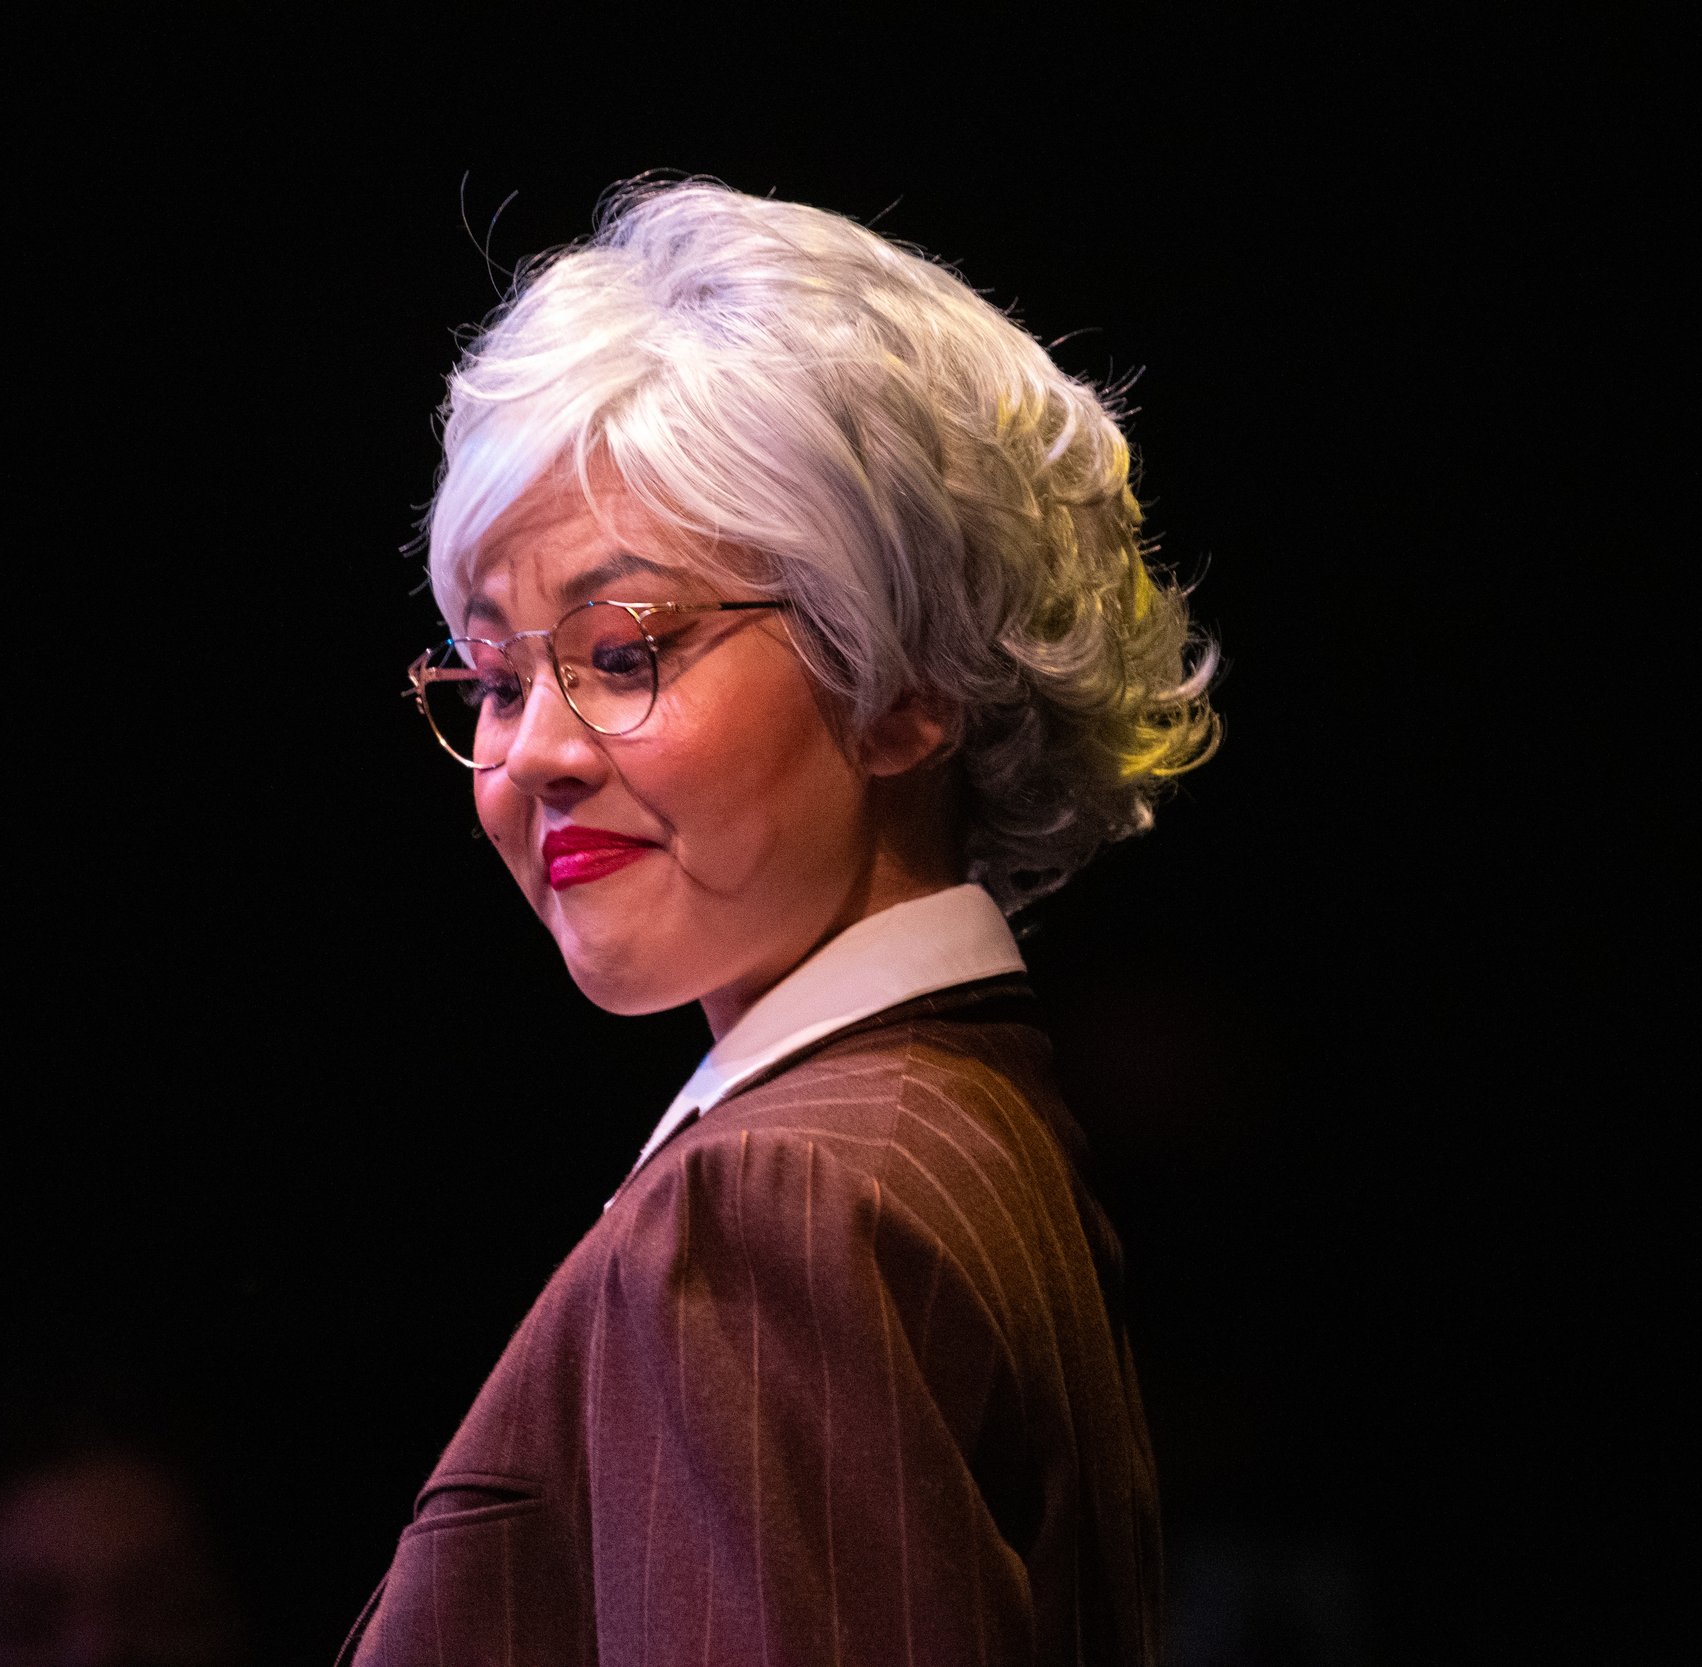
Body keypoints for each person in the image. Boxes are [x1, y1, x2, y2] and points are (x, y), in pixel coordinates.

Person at [349, 180, 1217, 1667]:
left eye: (625, 653)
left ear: (904, 685)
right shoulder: (953, 1126)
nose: (536, 750)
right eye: (495, 681)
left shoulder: (785, 1205)